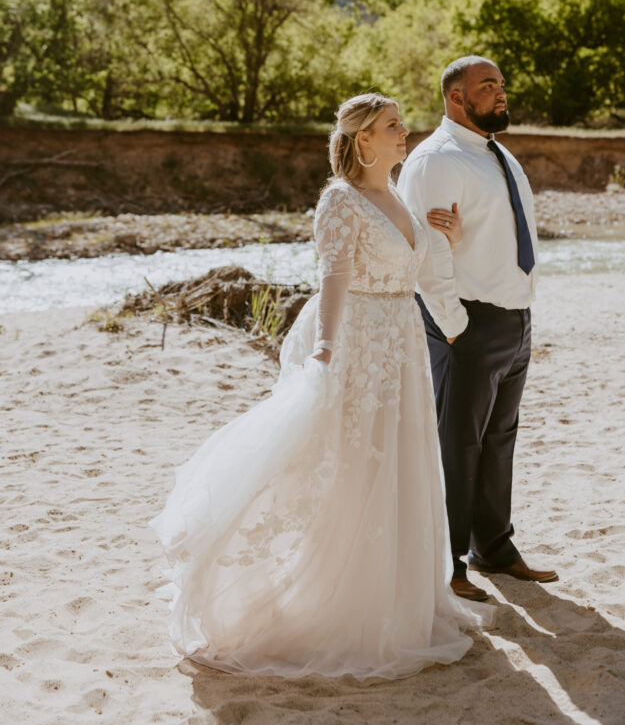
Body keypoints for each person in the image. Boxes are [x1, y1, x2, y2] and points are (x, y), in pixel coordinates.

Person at [150, 93, 494, 680]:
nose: (403, 133)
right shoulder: (341, 200)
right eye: (393, 127)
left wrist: (451, 239)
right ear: (364, 140)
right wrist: (325, 352)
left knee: (404, 462)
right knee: (358, 465)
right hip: (360, 340)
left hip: (403, 340)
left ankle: (399, 603)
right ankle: (346, 607)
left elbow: (416, 266)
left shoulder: (397, 195)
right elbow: (333, 277)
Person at [398, 56, 558, 603]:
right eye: (487, 86)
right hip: (465, 321)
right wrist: (455, 327)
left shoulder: (497, 154)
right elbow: (428, 253)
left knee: (498, 439)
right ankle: (448, 562)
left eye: (502, 83)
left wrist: (521, 313)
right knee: (457, 444)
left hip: (514, 319)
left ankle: (494, 547)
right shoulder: (436, 161)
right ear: (455, 98)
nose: (500, 93)